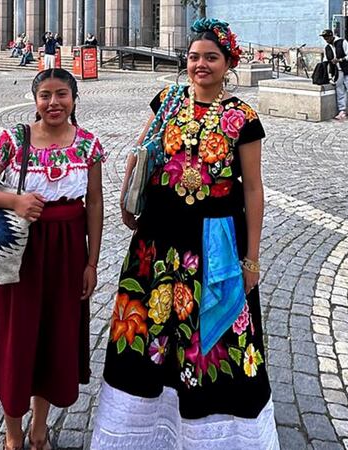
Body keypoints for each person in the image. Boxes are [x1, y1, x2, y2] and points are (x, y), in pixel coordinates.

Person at [91, 18, 278, 449]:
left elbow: (253, 189)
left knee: (212, 340)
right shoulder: (168, 99)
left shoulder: (243, 118)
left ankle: (215, 437)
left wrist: (251, 258)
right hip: (157, 239)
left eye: (211, 57)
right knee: (149, 333)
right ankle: (144, 432)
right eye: (194, 57)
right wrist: (127, 198)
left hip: (214, 244)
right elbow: (140, 152)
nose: (200, 65)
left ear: (228, 63)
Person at [0, 68, 105, 450]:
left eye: (62, 94)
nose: (53, 103)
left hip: (66, 254)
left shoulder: (88, 145)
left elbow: (94, 203)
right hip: (18, 256)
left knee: (52, 338)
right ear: (35, 100)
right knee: (16, 338)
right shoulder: (15, 140)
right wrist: (15, 201)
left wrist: (91, 263)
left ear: (74, 99)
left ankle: (39, 430)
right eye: (45, 95)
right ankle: (13, 435)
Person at [321, 29, 348, 121]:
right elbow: (326, 60)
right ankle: (342, 111)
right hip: (338, 72)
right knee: (340, 92)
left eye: (327, 38)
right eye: (324, 38)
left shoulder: (342, 42)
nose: (326, 40)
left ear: (331, 36)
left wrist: (340, 60)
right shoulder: (327, 48)